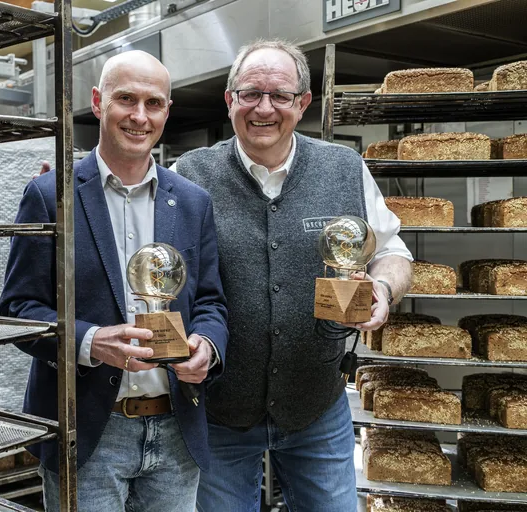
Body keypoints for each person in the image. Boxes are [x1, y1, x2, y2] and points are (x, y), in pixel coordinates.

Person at [174, 39, 413, 512]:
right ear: (230, 101)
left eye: (280, 95)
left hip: (316, 407)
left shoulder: (344, 166)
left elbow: (393, 250)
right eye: (250, 94)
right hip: (220, 409)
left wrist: (383, 289)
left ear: (303, 103)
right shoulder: (189, 173)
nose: (265, 108)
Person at [0, 50, 228, 511]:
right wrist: (91, 342)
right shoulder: (50, 195)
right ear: (99, 102)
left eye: (154, 103)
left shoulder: (193, 202)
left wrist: (208, 346)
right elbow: (18, 311)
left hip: (177, 432)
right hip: (88, 435)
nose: (140, 116)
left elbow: (210, 302)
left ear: (166, 111)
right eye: (126, 99)